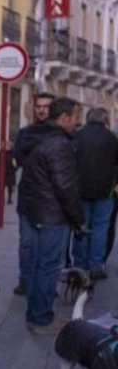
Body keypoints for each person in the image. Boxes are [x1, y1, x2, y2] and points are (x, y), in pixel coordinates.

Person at [17, 96, 84, 335]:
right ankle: (42, 319)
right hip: (52, 215)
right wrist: (78, 220)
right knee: (47, 268)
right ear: (64, 118)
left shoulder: (41, 138)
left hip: (36, 210)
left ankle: (36, 315)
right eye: (76, 117)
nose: (79, 122)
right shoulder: (59, 144)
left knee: (37, 266)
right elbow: (65, 186)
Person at [13, 92, 57, 295]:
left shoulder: (60, 133)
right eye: (39, 106)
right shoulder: (25, 132)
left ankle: (46, 283)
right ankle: (25, 280)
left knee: (48, 247)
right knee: (27, 243)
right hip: (28, 196)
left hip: (52, 198)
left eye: (46, 106)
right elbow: (19, 157)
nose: (41, 110)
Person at [71, 106, 118, 279]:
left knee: (81, 227)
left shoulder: (77, 136)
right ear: (105, 120)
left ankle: (79, 264)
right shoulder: (112, 139)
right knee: (101, 228)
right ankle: (96, 265)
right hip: (105, 192)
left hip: (80, 191)